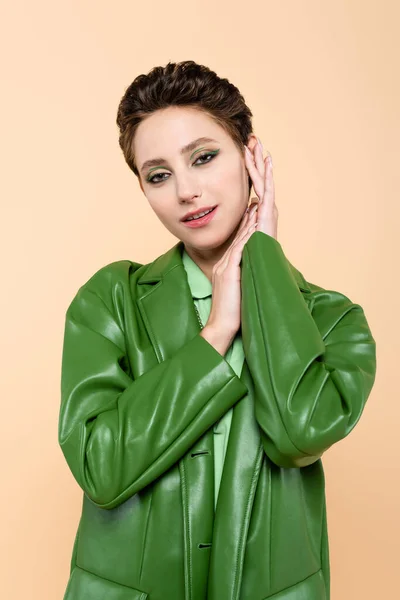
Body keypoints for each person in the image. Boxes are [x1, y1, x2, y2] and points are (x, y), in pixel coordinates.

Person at [58, 60, 377, 600]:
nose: (186, 191)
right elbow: (100, 467)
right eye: (158, 175)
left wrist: (264, 266)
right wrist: (217, 330)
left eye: (203, 158)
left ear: (250, 158)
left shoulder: (332, 319)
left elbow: (300, 432)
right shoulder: (109, 300)